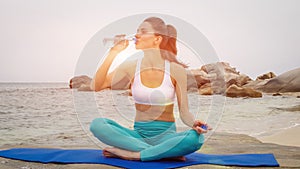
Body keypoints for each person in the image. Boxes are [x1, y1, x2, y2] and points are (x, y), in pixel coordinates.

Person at [89, 17, 211, 161]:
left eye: (143, 31)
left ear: (157, 39)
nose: (137, 35)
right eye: (137, 31)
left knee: (196, 138)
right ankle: (164, 153)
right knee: (97, 125)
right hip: (137, 135)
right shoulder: (131, 66)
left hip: (167, 137)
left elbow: (184, 112)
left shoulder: (175, 70)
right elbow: (96, 86)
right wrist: (113, 52)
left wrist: (194, 123)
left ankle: (135, 154)